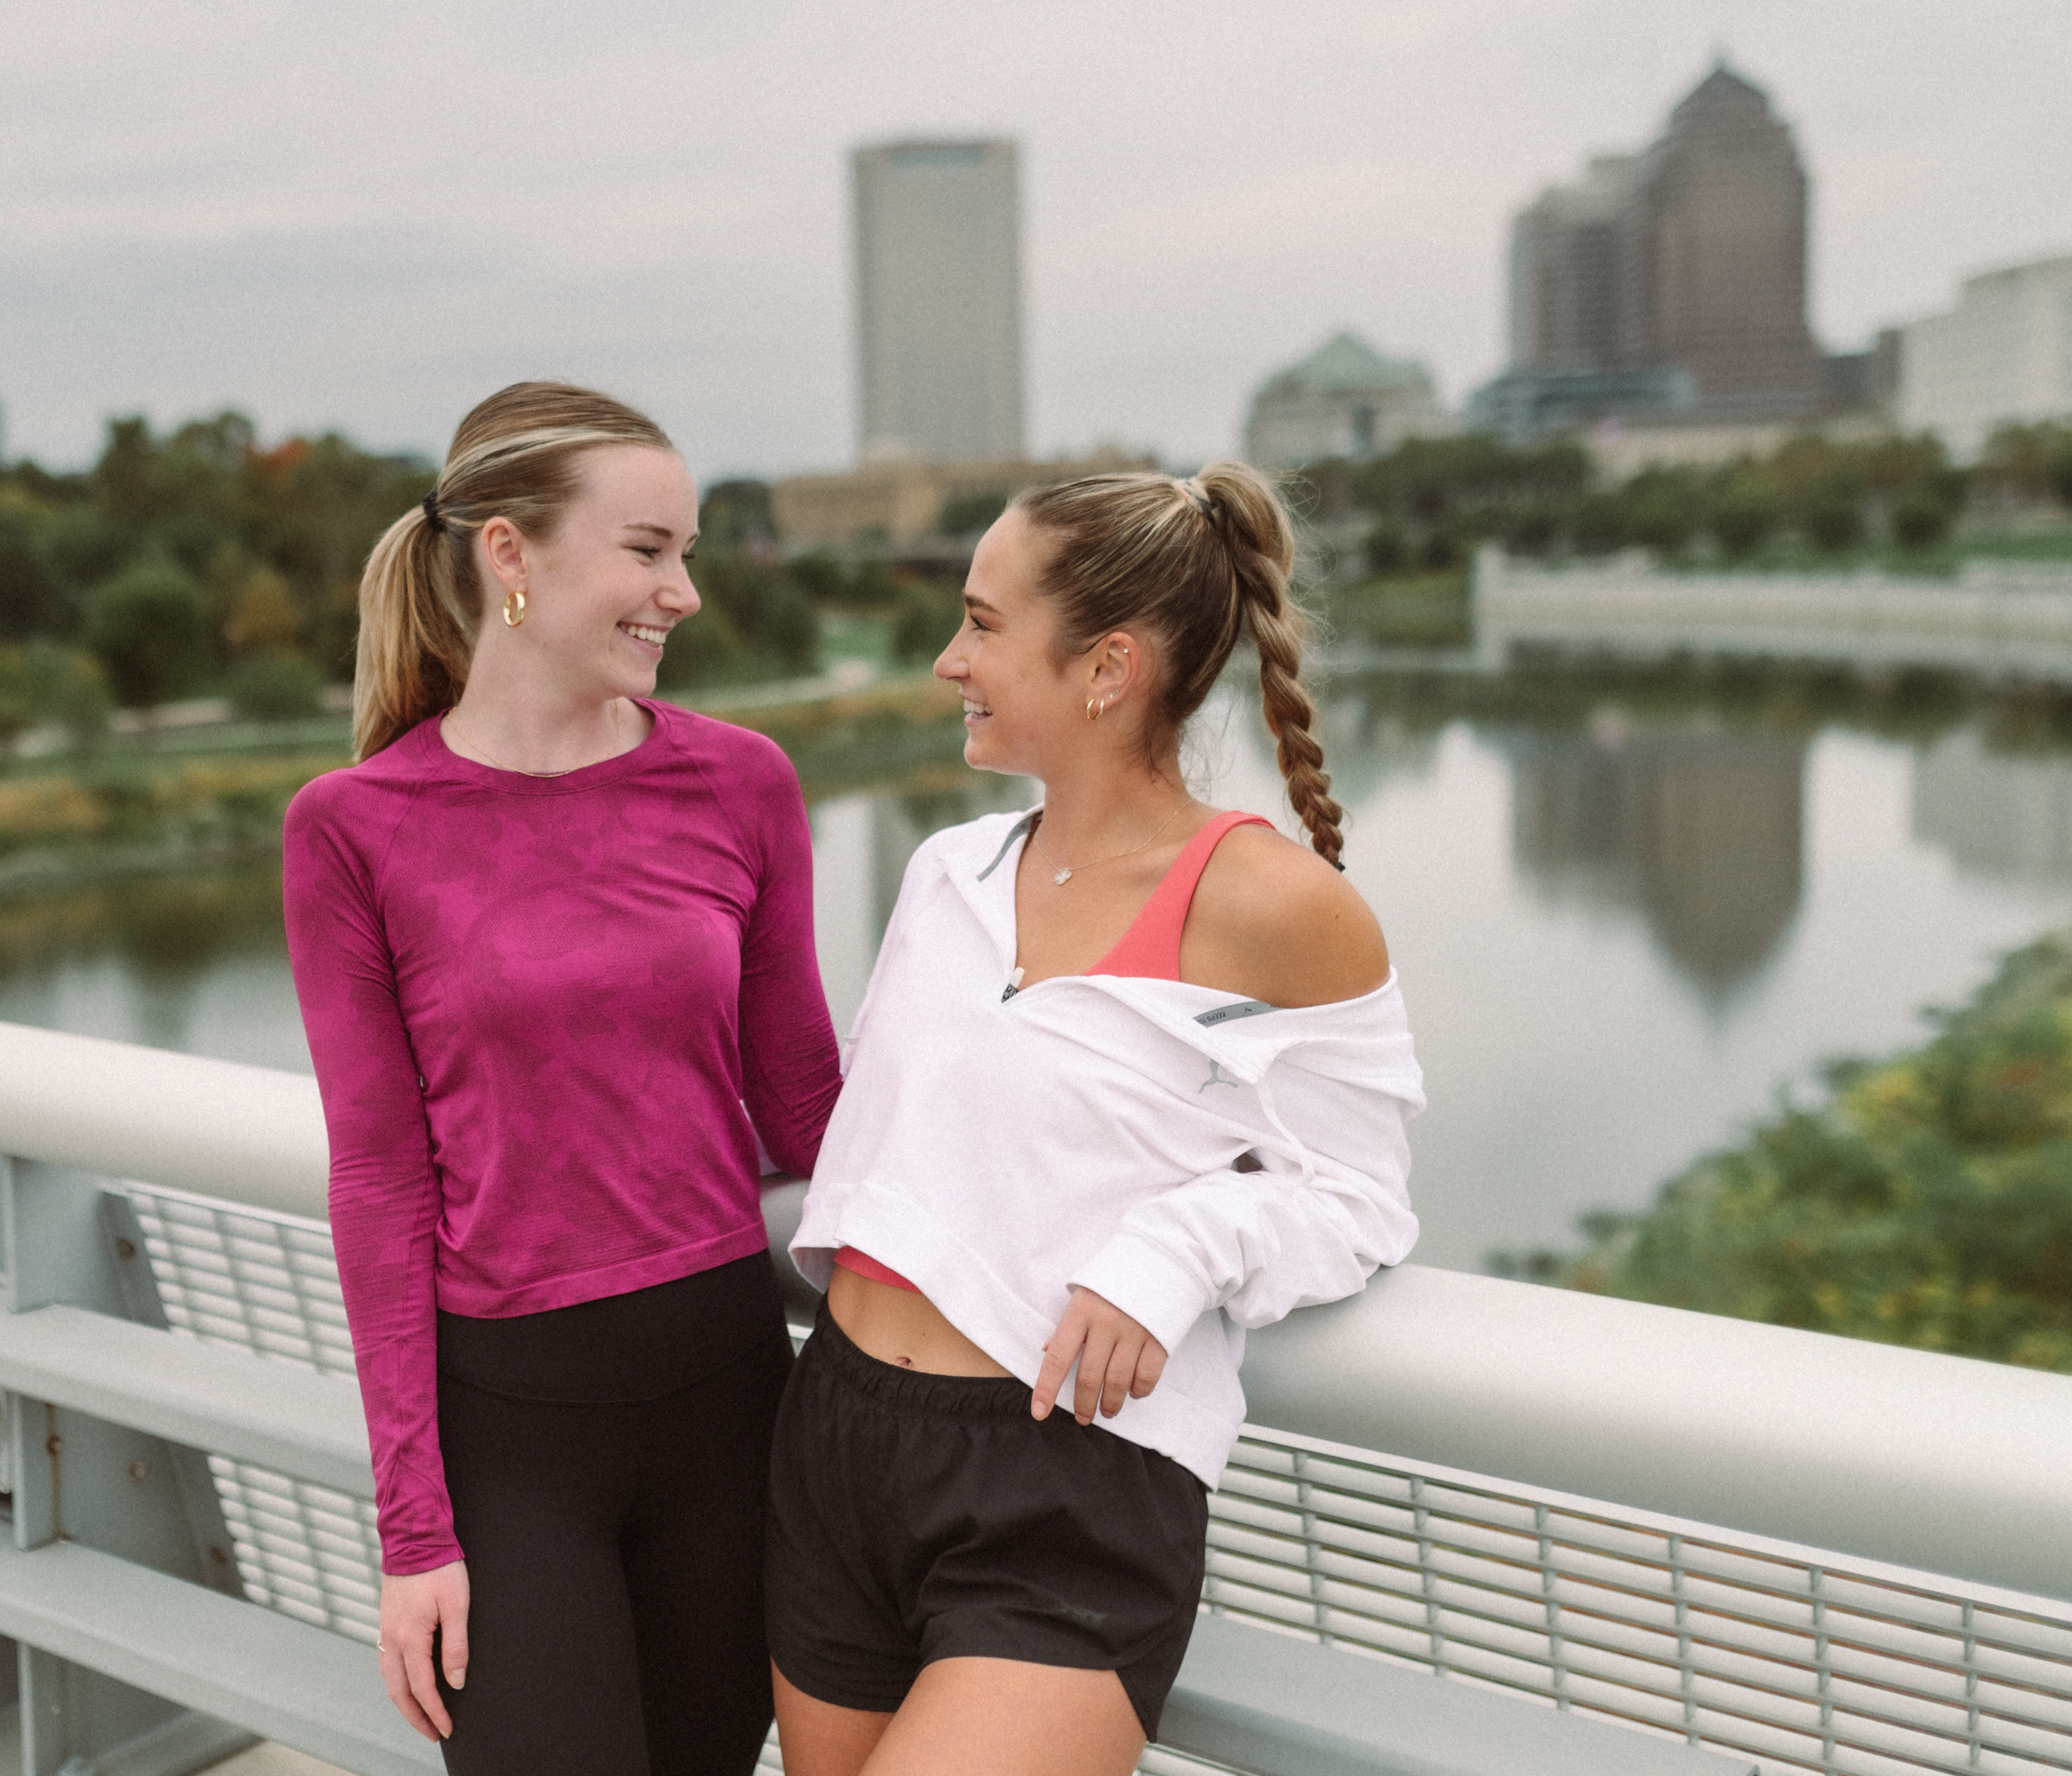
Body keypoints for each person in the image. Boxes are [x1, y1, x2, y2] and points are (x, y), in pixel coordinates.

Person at [769, 463, 1422, 1776]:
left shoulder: (1281, 907)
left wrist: (1175, 1252)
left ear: (1108, 668)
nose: (951, 660)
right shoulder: (946, 873)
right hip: (834, 1441)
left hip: (1064, 1485)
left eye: (984, 625)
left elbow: (1363, 1199)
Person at [283, 381, 844, 1775]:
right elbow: (379, 1177)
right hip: (509, 1434)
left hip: (727, 1395)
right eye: (649, 550)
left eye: (688, 553)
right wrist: (413, 1531)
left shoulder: (742, 784)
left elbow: (811, 1112)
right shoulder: (352, 830)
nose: (685, 593)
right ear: (509, 554)